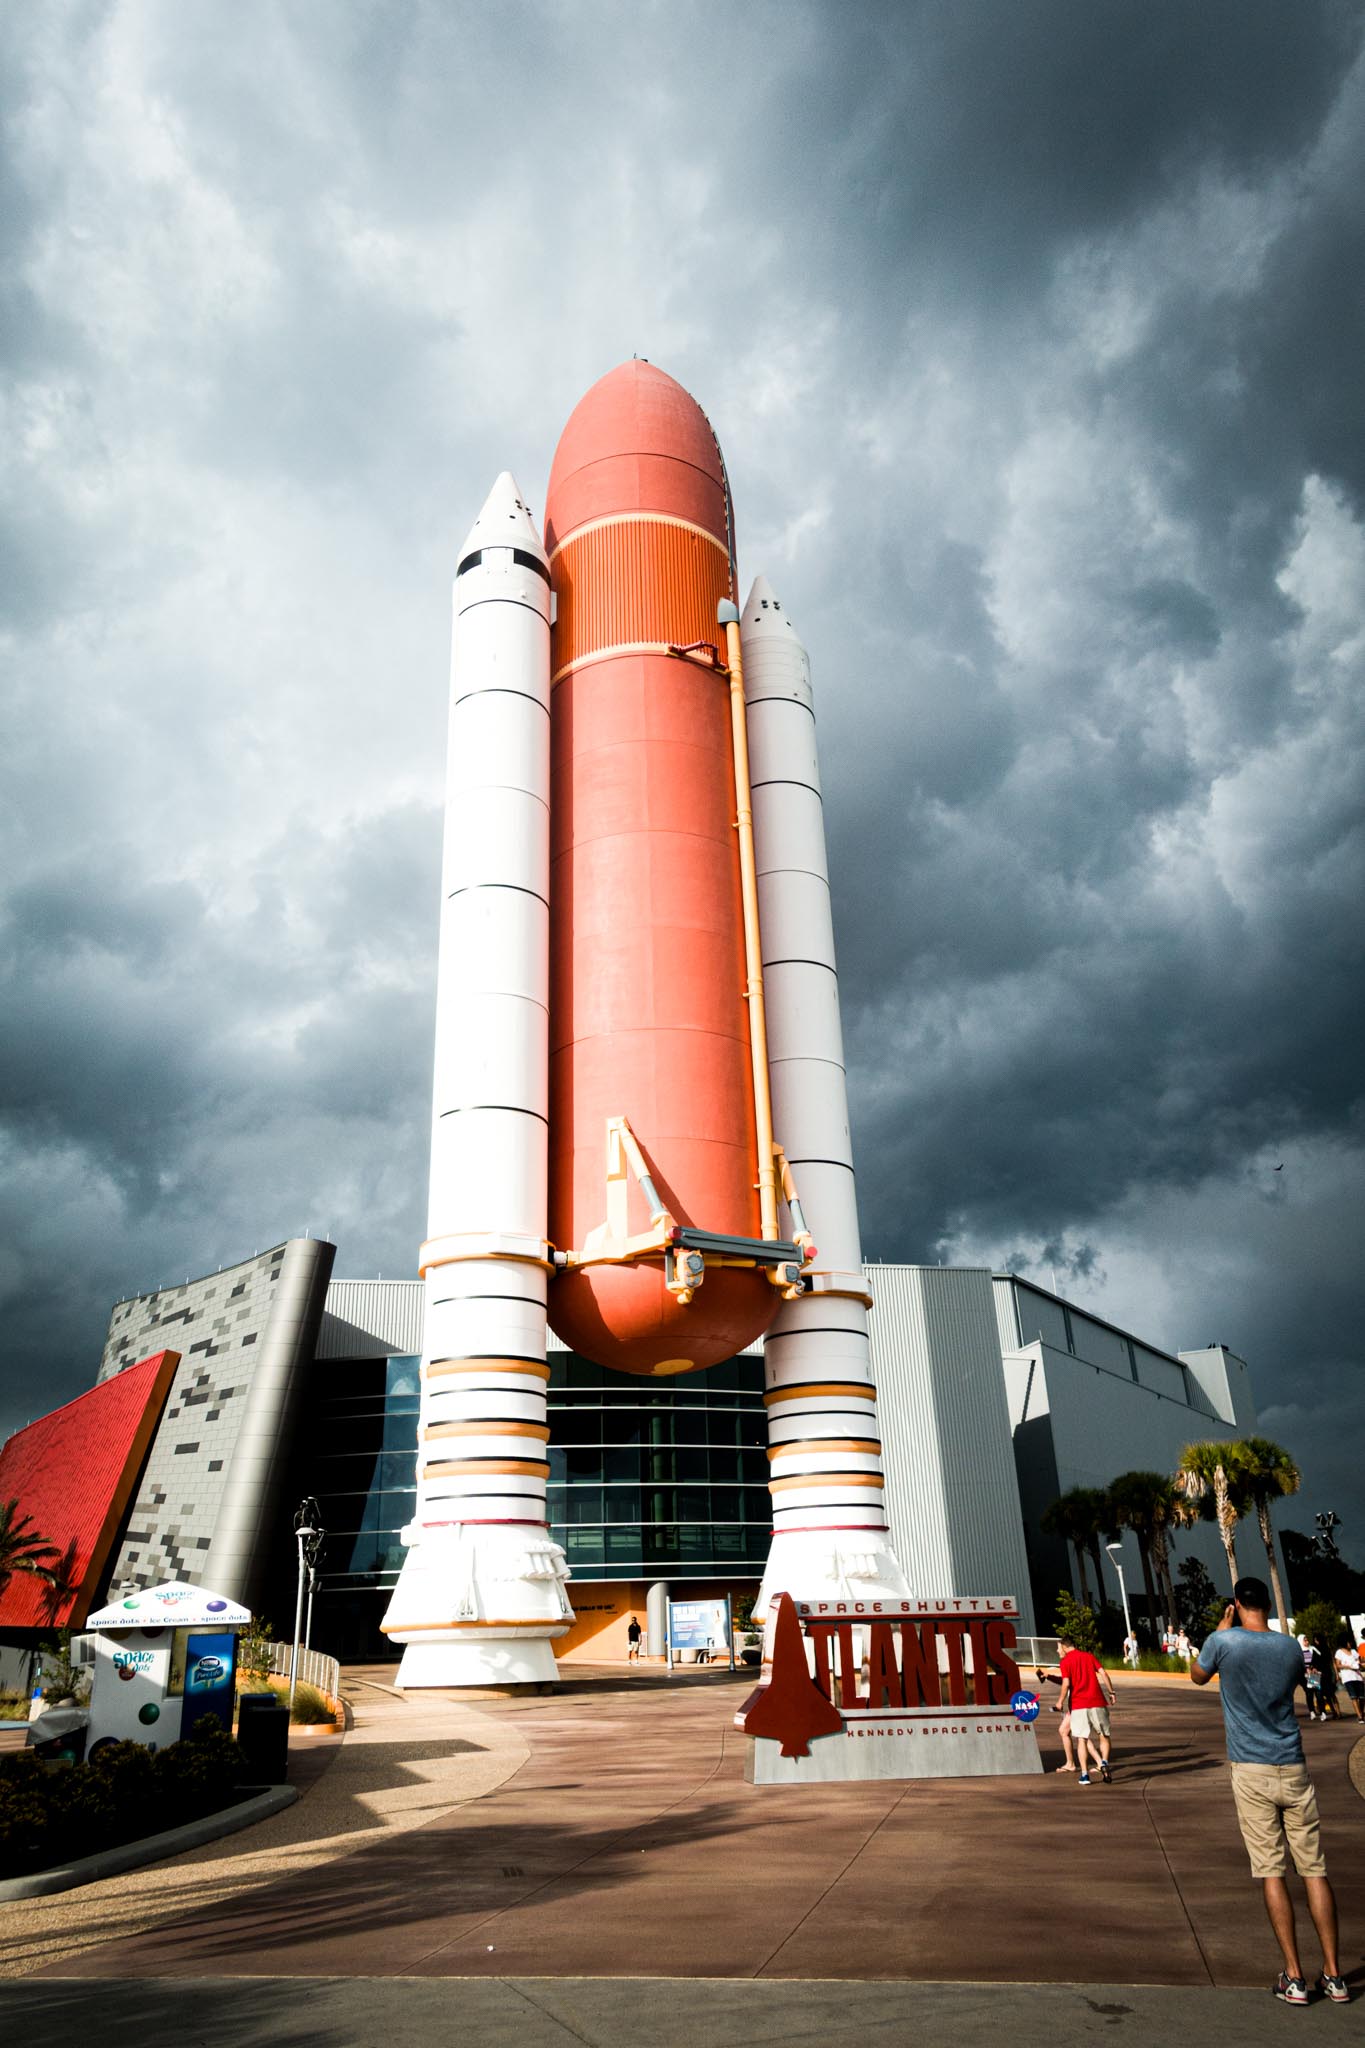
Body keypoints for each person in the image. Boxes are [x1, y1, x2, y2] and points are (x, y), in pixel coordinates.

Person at [1192, 1577, 1348, 2005]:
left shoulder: (1224, 1642)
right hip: (1293, 1764)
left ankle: (1294, 1977)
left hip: (1251, 1768)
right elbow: (1298, 1681)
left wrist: (1223, 1632)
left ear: (1237, 1604)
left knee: (1271, 1870)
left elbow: (1197, 1676)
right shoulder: (1288, 1647)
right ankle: (1334, 1975)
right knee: (1314, 1868)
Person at [1055, 1628, 1117, 1785]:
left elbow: (1066, 1683)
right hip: (1097, 1701)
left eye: (1058, 1647)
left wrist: (1060, 1701)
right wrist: (1111, 1692)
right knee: (1104, 1735)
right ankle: (1103, 1762)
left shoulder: (1066, 1662)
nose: (1058, 1650)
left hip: (1079, 1705)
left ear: (1064, 1646)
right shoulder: (1089, 1656)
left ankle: (1084, 1775)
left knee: (1082, 1739)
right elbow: (1104, 1673)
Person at [1334, 1639, 1364, 1722]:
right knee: (1354, 1697)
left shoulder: (1354, 1651)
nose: (1350, 1643)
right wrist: (1349, 1667)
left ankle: (1361, 1712)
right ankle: (1360, 1716)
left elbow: (1359, 1661)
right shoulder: (1339, 1652)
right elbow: (1338, 1665)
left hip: (1358, 1676)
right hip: (1347, 1677)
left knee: (1362, 1697)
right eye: (1348, 1642)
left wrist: (1360, 1664)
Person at [1300, 1635, 1325, 1722]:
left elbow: (1319, 1660)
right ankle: (1312, 1711)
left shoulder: (1313, 1649)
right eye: (1305, 1640)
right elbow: (1298, 1663)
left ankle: (1323, 1712)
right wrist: (1305, 1669)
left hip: (1314, 1674)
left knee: (1318, 1694)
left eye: (1307, 1640)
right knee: (1309, 1694)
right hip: (1304, 1676)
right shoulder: (1298, 1651)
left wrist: (1315, 1667)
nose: (1307, 1641)